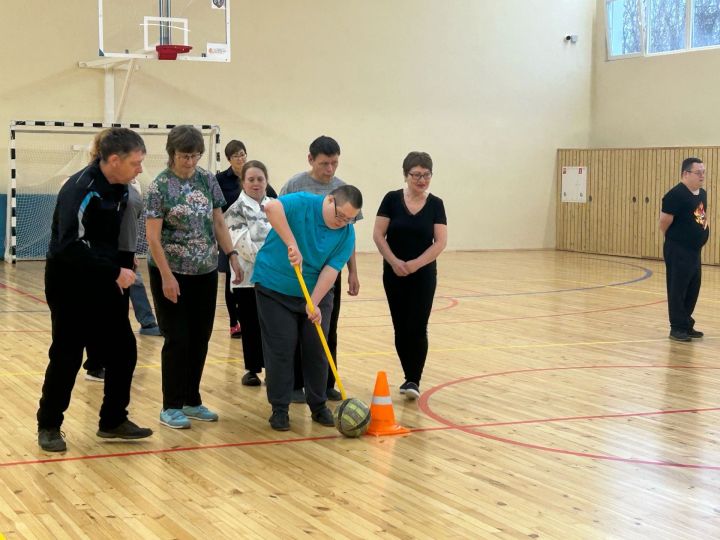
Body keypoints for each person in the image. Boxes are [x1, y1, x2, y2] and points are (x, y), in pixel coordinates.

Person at [37, 127, 154, 452]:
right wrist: (114, 271)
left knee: (123, 350)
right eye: (136, 162)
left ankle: (113, 420)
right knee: (67, 354)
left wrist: (120, 267)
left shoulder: (120, 186)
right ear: (113, 160)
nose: (140, 169)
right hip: (69, 281)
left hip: (105, 278)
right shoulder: (81, 189)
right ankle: (48, 425)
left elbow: (107, 240)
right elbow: (69, 246)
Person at [146, 125, 243, 429]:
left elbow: (218, 221)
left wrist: (232, 255)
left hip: (205, 270)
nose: (190, 162)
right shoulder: (159, 187)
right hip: (171, 271)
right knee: (177, 337)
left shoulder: (206, 179)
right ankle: (170, 405)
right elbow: (152, 237)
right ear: (171, 154)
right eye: (184, 156)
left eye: (195, 156)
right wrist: (166, 277)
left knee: (200, 336)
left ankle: (191, 399)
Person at [253, 185, 362, 431]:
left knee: (317, 346)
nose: (342, 223)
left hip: (315, 290)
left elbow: (331, 270)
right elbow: (271, 207)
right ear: (330, 200)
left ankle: (318, 405)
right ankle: (280, 409)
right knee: (282, 346)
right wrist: (292, 244)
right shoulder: (303, 202)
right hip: (274, 286)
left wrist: (312, 302)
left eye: (349, 219)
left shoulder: (347, 234)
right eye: (340, 216)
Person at [279, 136, 360, 402]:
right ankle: (294, 385)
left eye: (334, 163)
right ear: (311, 159)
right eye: (325, 163)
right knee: (293, 331)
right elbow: (279, 223)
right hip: (298, 272)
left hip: (328, 272)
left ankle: (324, 383)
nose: (330, 169)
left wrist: (353, 272)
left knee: (326, 327)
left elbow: (349, 238)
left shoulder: (343, 190)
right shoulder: (294, 185)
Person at [373, 151, 447, 400]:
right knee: (400, 326)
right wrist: (394, 261)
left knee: (418, 325)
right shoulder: (391, 200)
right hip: (393, 273)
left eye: (426, 175)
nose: (422, 180)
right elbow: (378, 234)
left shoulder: (436, 204)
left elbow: (440, 242)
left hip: (423, 274)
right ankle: (407, 374)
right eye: (416, 175)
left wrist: (416, 264)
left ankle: (413, 378)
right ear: (406, 175)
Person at [215, 140, 278, 339]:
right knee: (233, 282)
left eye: (243, 154)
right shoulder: (221, 182)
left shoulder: (274, 203)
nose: (240, 158)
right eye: (236, 156)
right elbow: (220, 213)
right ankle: (235, 322)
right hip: (233, 242)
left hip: (271, 271)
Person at [224, 160, 274, 386]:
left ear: (267, 181)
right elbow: (242, 243)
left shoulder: (276, 206)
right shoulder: (235, 210)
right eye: (251, 179)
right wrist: (271, 260)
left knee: (274, 325)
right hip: (248, 278)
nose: (256, 183)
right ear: (243, 182)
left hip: (275, 278)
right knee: (251, 324)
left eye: (260, 179)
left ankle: (275, 367)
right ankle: (253, 369)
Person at [659, 157, 709, 342]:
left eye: (703, 172)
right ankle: (677, 328)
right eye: (698, 173)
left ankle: (686, 323)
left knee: (692, 287)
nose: (702, 176)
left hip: (694, 251)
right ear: (685, 174)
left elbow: (701, 215)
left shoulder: (701, 193)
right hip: (678, 250)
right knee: (678, 288)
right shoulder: (675, 195)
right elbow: (664, 223)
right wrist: (677, 241)